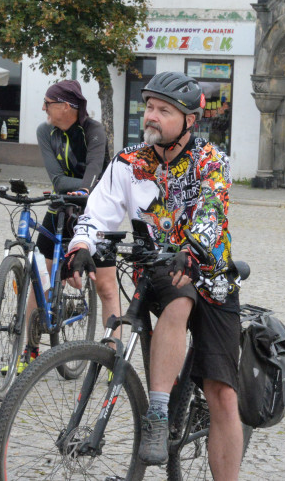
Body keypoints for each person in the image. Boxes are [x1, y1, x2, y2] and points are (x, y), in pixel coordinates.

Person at [65, 72, 243, 478]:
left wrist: (192, 247)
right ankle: (158, 414)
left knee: (223, 395)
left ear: (189, 121)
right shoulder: (128, 162)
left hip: (211, 275)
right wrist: (81, 248)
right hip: (159, 270)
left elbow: (213, 212)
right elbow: (99, 210)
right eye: (149, 107)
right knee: (176, 294)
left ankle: (176, 425)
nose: (152, 116)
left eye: (164, 110)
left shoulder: (210, 161)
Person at [33, 79, 114, 356]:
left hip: (95, 211)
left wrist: (81, 187)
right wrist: (76, 186)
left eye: (47, 102)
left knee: (105, 285)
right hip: (59, 207)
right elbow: (56, 179)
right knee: (39, 276)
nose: (43, 107)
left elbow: (92, 180)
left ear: (66, 107)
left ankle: (111, 356)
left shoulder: (94, 131)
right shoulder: (45, 131)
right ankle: (29, 348)